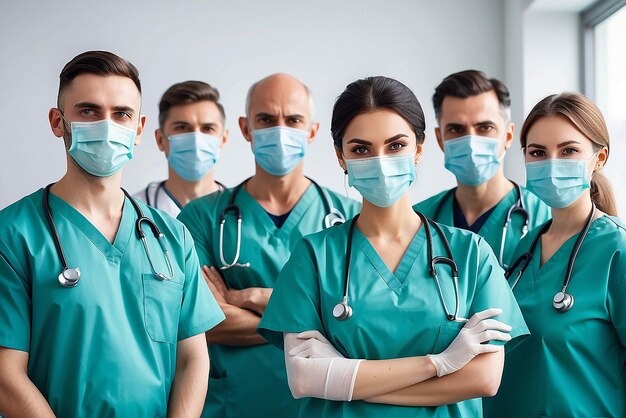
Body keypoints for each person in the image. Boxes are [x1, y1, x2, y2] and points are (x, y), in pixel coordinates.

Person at [257, 76, 528, 418]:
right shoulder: (313, 256)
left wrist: (345, 382)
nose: (380, 161)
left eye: (396, 145)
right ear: (341, 157)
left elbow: (484, 379)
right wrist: (442, 363)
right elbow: (304, 379)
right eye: (361, 149)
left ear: (418, 148)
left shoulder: (471, 253)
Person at [0, 51, 225, 418]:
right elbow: (5, 374)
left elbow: (192, 359)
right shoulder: (13, 234)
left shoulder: (172, 236)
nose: (107, 125)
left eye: (121, 114)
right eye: (88, 111)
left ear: (138, 129)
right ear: (58, 122)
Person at [177, 73, 360, 418]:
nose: (280, 131)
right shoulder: (202, 217)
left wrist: (244, 298)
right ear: (246, 128)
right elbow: (206, 322)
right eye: (266, 119)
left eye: (293, 120)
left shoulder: (351, 219)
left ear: (312, 130)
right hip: (234, 405)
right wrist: (314, 318)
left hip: (322, 407)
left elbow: (357, 324)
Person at [484, 92, 626, 418]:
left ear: (599, 158)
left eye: (569, 151)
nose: (551, 163)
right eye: (538, 152)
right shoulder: (525, 248)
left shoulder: (617, 252)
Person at [414, 70, 550, 268]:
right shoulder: (418, 220)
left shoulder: (544, 217)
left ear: (508, 136)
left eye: (485, 128)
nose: (471, 141)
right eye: (456, 129)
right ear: (440, 139)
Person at [134, 80, 228, 216]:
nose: (196, 139)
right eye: (182, 127)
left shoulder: (243, 212)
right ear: (160, 139)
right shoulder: (132, 211)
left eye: (207, 128)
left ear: (223, 139)